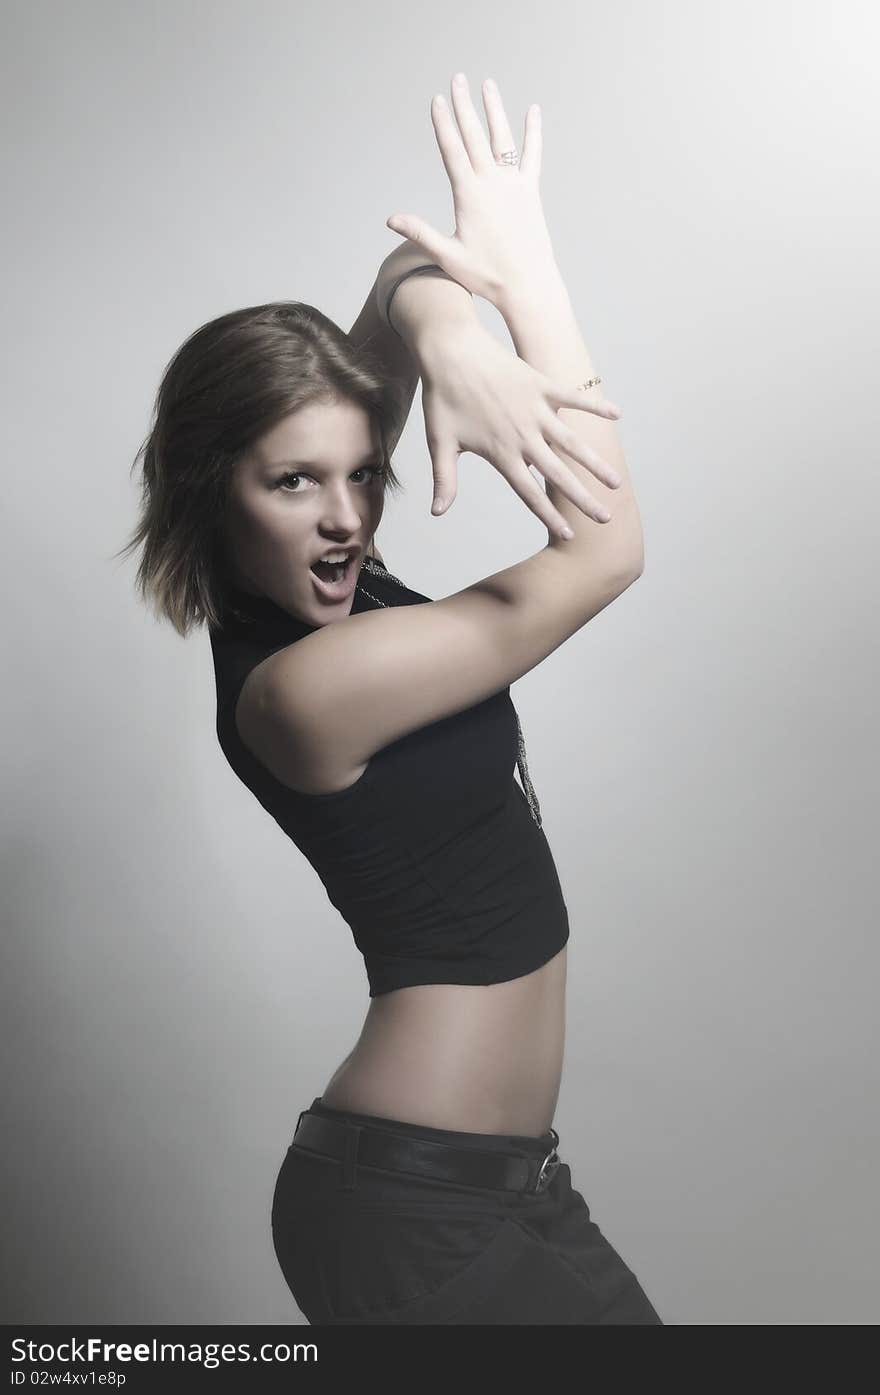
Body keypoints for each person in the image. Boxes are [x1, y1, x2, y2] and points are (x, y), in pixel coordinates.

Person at [119, 74, 662, 1324]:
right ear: (216, 493)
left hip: (504, 1190)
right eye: (295, 483)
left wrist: (450, 334)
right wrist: (522, 283)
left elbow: (384, 294)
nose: (346, 517)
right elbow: (606, 552)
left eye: (362, 474)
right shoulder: (302, 690)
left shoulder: (326, 591)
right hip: (415, 1211)